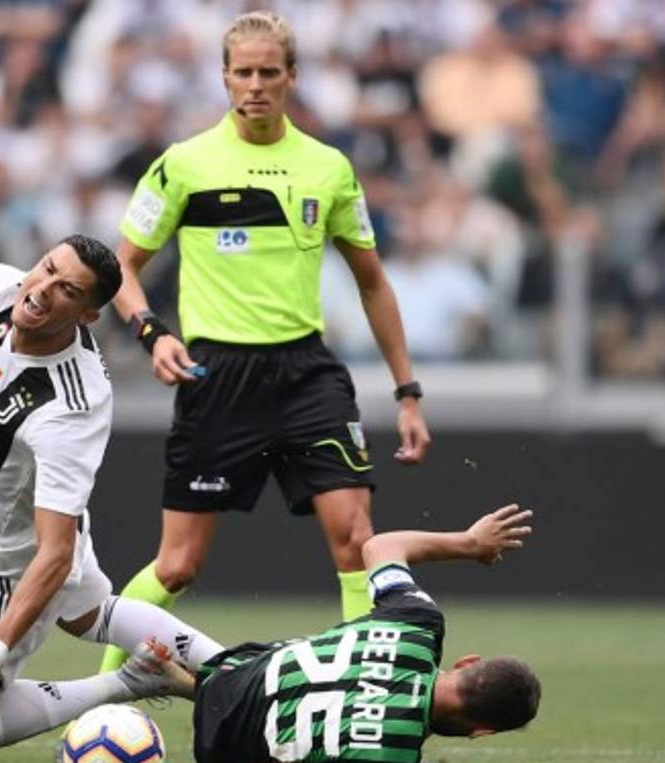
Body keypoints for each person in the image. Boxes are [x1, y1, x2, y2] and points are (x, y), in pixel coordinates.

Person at [98, 9, 431, 673]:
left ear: (292, 77)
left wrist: (408, 391)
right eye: (244, 72)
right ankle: (102, 696)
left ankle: (356, 696)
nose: (255, 85)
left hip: (307, 372)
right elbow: (121, 269)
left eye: (269, 72)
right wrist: (151, 333)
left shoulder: (328, 168)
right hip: (216, 375)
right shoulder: (184, 164)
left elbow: (372, 282)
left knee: (356, 541)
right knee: (179, 564)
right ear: (224, 77)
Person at [0, 223, 222, 757]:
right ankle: (238, 670)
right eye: (47, 268)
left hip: (14, 568)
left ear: (87, 315)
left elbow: (56, 554)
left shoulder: (68, 408)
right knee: (89, 614)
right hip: (34, 526)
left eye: (66, 289)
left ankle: (129, 682)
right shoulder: (5, 290)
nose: (41, 289)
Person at [161, 502, 540, 763]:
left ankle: (181, 679)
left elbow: (381, 545)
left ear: (467, 663)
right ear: (481, 731)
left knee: (328, 650)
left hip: (235, 670)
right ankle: (178, 682)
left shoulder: (419, 624)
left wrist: (469, 544)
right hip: (219, 754)